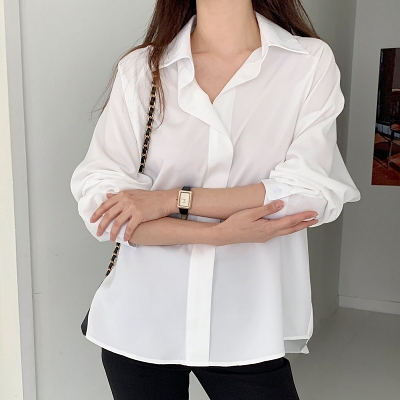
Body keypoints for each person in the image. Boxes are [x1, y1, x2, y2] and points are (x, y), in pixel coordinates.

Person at [70, 0, 361, 398]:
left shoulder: (308, 62)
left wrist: (170, 200)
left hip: (245, 322)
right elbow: (105, 209)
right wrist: (218, 235)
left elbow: (306, 194)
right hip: (140, 320)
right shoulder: (142, 69)